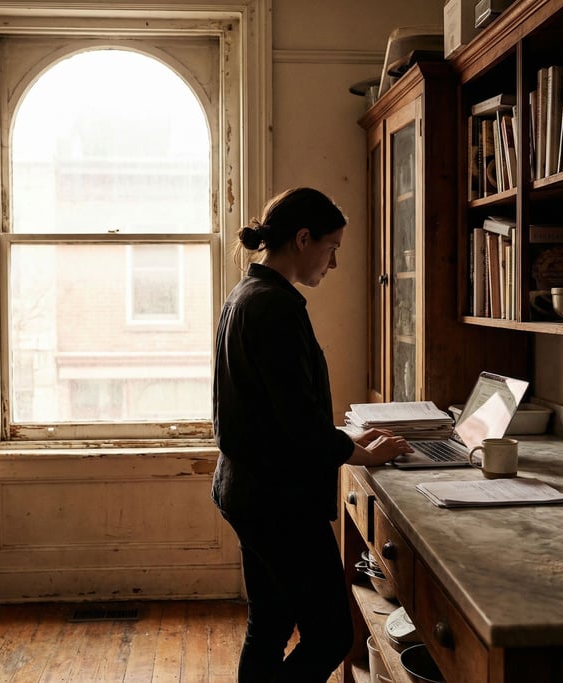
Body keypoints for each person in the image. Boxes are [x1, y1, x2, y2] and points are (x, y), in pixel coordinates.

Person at [212, 187, 411, 682]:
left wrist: (350, 442)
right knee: (330, 635)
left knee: (271, 623)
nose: (335, 262)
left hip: (246, 487)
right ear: (303, 239)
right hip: (276, 500)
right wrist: (362, 454)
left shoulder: (247, 294)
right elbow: (298, 421)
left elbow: (275, 410)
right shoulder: (275, 306)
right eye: (332, 248)